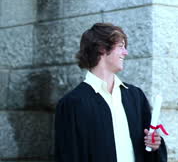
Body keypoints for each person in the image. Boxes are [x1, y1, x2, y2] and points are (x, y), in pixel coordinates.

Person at [55, 23, 167, 162]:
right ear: (102, 48)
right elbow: (68, 156)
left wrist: (155, 145)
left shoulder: (135, 96)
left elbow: (151, 151)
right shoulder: (72, 103)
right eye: (121, 46)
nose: (125, 52)